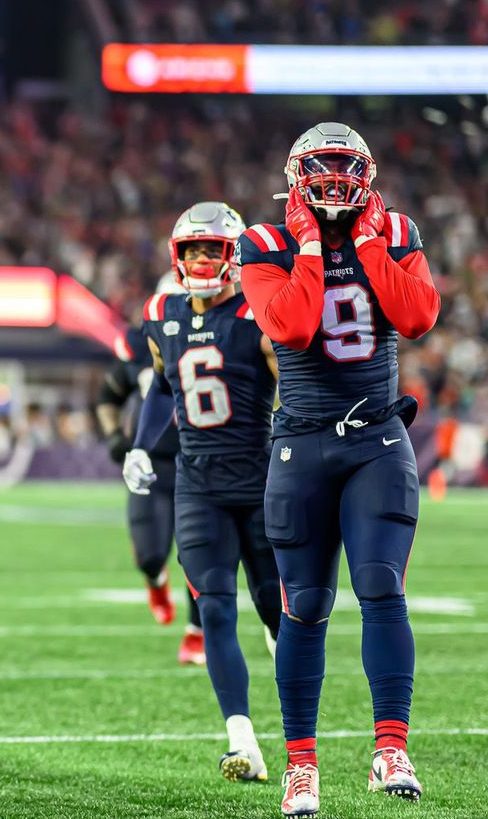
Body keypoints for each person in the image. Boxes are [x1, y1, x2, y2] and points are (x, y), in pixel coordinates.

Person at [238, 123, 439, 817]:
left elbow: (416, 317)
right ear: (296, 176)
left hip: (377, 442)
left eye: (343, 168)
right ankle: (301, 765)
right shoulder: (265, 242)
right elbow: (291, 325)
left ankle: (391, 746)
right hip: (300, 449)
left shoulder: (396, 230)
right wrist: (316, 245)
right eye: (320, 170)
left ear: (366, 173)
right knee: (306, 606)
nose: (332, 181)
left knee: (382, 587)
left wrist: (363, 242)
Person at [122, 203, 282, 784]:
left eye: (211, 249)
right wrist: (142, 445)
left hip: (260, 480)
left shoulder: (259, 315)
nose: (200, 260)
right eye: (191, 250)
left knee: (274, 608)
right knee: (214, 606)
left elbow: (293, 389)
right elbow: (164, 386)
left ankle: (300, 741)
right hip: (197, 484)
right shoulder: (161, 313)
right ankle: (242, 740)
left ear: (233, 256)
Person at [96, 278, 205, 664]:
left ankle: (197, 632)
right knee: (150, 555)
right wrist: (114, 435)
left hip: (203, 460)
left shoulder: (227, 333)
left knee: (201, 556)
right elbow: (109, 396)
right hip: (154, 463)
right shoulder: (143, 345)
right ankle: (155, 579)